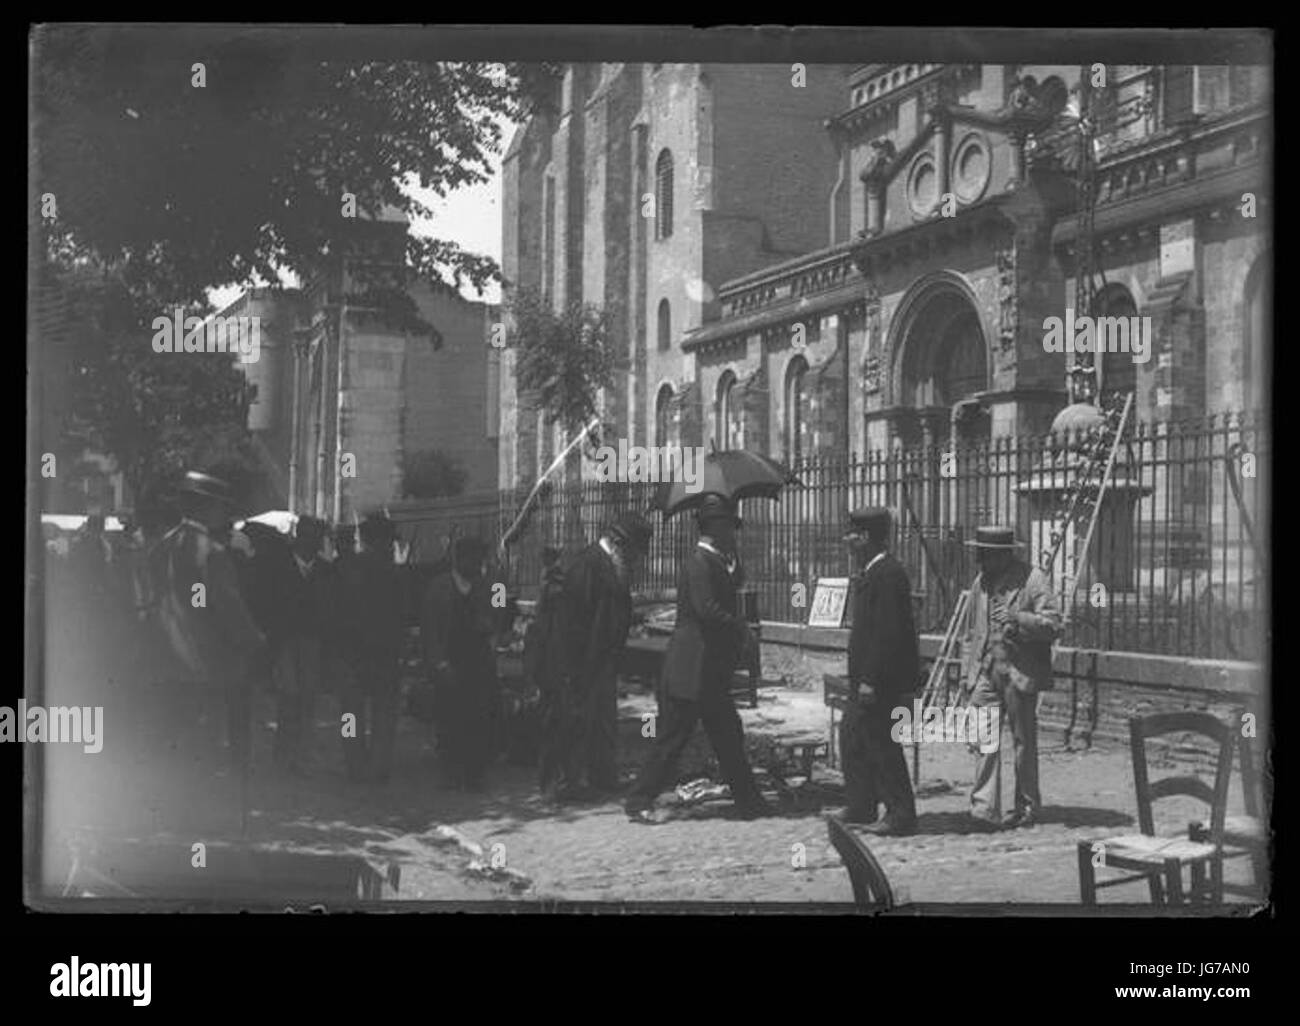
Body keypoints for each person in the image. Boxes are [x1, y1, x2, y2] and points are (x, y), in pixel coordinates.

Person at [624, 494, 771, 824]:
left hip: (707, 672)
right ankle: (638, 799)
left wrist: (735, 573)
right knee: (672, 739)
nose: (734, 533)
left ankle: (750, 801)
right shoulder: (698, 563)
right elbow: (708, 610)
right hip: (691, 670)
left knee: (728, 736)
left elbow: (726, 596)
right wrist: (741, 629)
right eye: (729, 527)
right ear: (715, 528)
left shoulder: (717, 562)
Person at [152, 472, 266, 773]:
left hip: (164, 658)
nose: (224, 513)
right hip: (205, 661)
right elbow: (228, 606)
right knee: (203, 744)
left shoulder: (161, 546)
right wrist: (254, 640)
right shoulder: (212, 553)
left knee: (172, 741)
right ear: (207, 507)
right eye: (221, 506)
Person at [544, 513, 653, 802]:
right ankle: (567, 782)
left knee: (602, 719)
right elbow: (572, 622)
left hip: (603, 658)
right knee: (575, 719)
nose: (635, 560)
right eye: (633, 553)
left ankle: (602, 776)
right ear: (618, 544)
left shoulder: (611, 564)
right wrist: (573, 667)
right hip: (581, 659)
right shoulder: (588, 565)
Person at [961, 525, 1062, 830]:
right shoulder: (981, 583)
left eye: (987, 554)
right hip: (986, 672)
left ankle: (1027, 805)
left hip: (1019, 672)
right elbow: (970, 633)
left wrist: (1018, 619)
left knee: (1023, 742)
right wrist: (969, 674)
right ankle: (984, 809)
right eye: (980, 553)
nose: (981, 560)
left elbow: (1055, 625)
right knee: (984, 740)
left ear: (1004, 554)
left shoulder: (1033, 580)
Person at [838, 507, 920, 836]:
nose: (847, 541)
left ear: (866, 538)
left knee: (882, 744)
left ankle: (901, 814)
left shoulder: (888, 574)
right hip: (867, 679)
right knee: (853, 736)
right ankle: (862, 805)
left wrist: (870, 679)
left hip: (882, 681)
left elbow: (888, 634)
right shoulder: (872, 571)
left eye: (852, 535)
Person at [420, 536, 500, 790]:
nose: (477, 565)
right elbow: (430, 629)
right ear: (460, 560)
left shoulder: (488, 586)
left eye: (480, 560)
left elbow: (501, 614)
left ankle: (474, 774)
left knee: (478, 718)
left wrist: (493, 623)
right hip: (450, 661)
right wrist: (438, 663)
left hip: (478, 662)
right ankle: (451, 772)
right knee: (449, 719)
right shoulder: (439, 587)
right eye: (473, 560)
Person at [338, 513, 405, 784]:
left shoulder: (346, 568)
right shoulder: (395, 573)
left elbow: (336, 613)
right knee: (384, 713)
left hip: (352, 653)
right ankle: (379, 766)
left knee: (350, 713)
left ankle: (354, 763)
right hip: (385, 653)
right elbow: (403, 613)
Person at [270, 515, 334, 774]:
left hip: (312, 640)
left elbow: (330, 607)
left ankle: (302, 756)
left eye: (318, 538)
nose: (315, 543)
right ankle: (284, 754)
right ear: (300, 538)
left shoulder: (325, 570)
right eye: (311, 537)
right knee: (289, 696)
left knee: (308, 697)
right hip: (284, 639)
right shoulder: (278, 566)